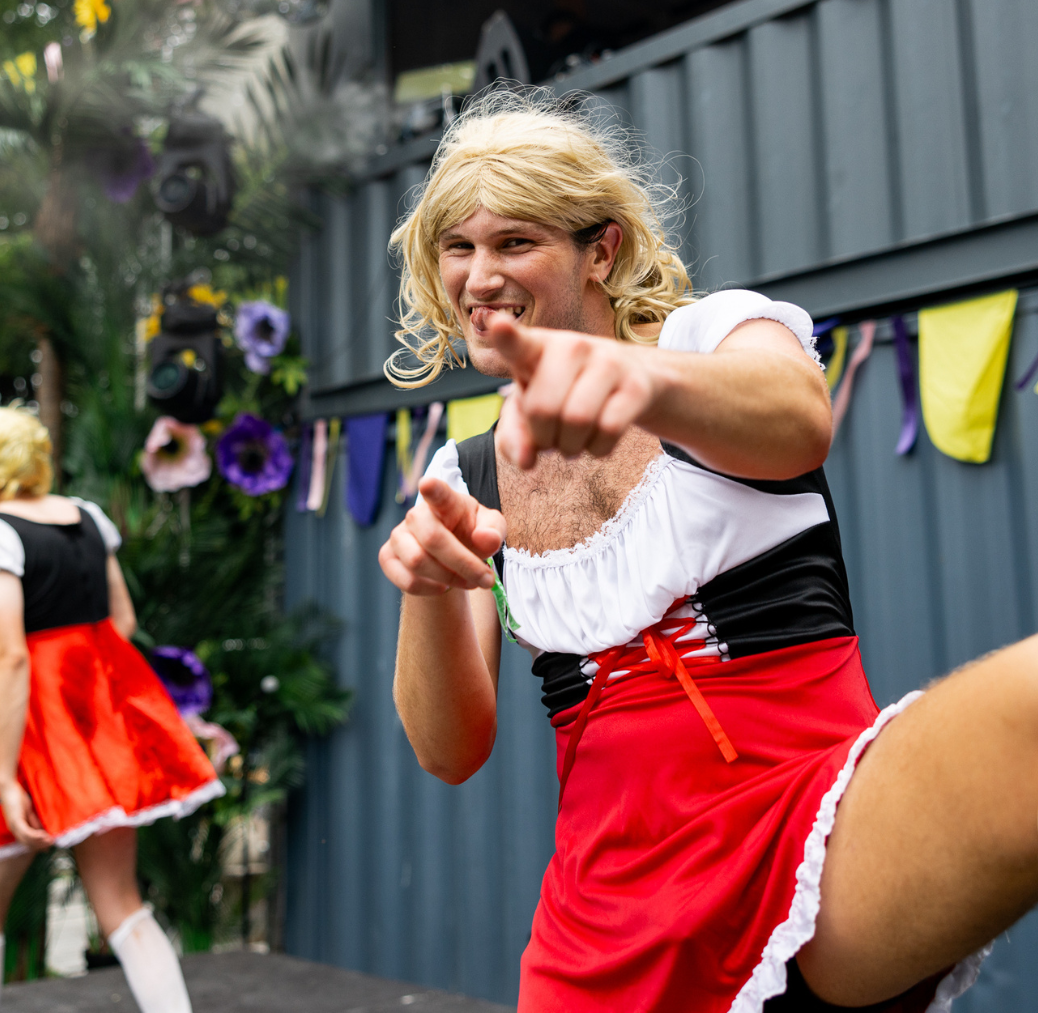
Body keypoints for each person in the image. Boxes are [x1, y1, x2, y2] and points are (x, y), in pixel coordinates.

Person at [378, 89, 1038, 1012]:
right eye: (459, 248)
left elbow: (797, 419)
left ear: (601, 250)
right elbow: (448, 751)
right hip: (604, 908)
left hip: (809, 826)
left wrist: (629, 375)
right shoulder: (465, 473)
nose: (481, 276)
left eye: (515, 241)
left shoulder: (711, 337)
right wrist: (424, 588)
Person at [0, 406, 222, 1013]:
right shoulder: (86, 516)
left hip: (29, 729)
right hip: (95, 724)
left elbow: (10, 656)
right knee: (122, 905)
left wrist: (6, 778)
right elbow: (121, 622)